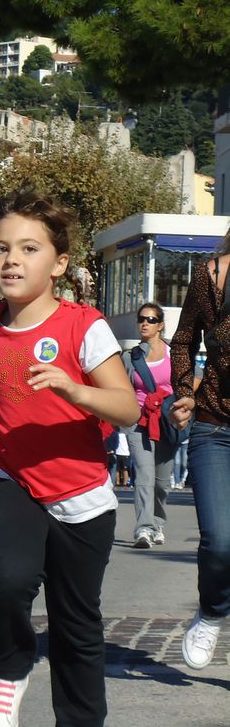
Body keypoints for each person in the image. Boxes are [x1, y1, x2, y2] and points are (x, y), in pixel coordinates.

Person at [0, 187, 138, 727]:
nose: (11, 260)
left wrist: (76, 391)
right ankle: (6, 671)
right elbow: (2, 394)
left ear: (59, 264)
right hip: (7, 474)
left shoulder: (84, 326)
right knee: (8, 578)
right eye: (0, 248)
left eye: (29, 249)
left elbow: (127, 410)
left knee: (76, 624)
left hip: (80, 492)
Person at [169, 229, 230, 670]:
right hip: (215, 424)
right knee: (221, 541)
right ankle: (212, 611)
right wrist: (182, 391)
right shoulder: (209, 276)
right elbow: (184, 339)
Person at [121, 302, 176, 548]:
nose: (145, 323)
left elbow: (191, 382)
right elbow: (121, 388)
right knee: (144, 474)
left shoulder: (175, 354)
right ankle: (144, 529)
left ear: (161, 325)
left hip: (167, 421)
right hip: (139, 422)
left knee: (162, 482)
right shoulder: (131, 356)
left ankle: (158, 523)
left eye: (151, 320)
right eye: (142, 319)